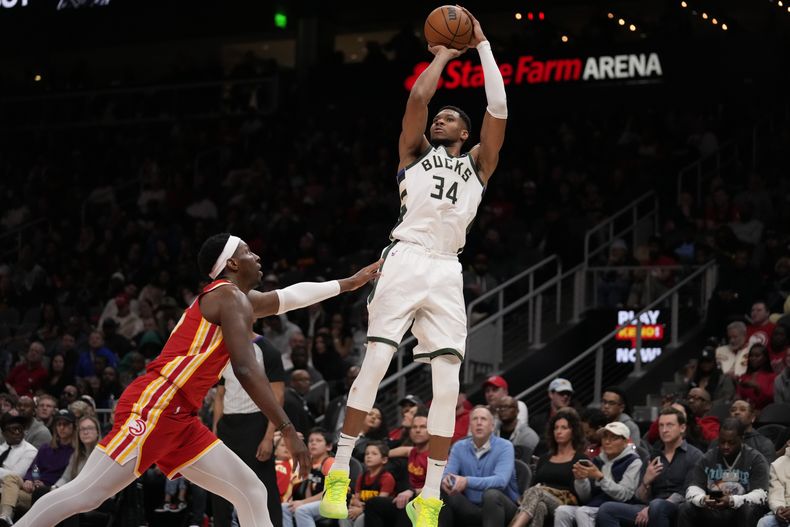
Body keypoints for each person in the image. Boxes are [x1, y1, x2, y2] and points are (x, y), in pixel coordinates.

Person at [14, 233, 380, 527]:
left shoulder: (235, 299)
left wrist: (349, 283)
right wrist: (286, 428)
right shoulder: (229, 297)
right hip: (156, 405)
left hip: (181, 417)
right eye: (248, 251)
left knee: (251, 491)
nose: (257, 257)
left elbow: (286, 298)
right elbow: (245, 368)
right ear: (232, 263)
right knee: (87, 494)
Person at [321, 8, 508, 526]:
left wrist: (483, 45)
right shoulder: (414, 152)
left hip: (447, 269)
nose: (438, 121)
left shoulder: (479, 164)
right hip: (405, 257)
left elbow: (498, 107)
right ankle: (338, 470)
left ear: (465, 131)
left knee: (447, 384)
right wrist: (445, 54)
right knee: (376, 362)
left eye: (449, 118)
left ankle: (429, 496)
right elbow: (417, 100)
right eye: (438, 118)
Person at [212, 334, 287, 527]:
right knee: (220, 486)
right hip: (227, 425)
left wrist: (268, 437)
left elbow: (278, 396)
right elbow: (220, 395)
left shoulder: (267, 350)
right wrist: (215, 431)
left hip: (256, 424)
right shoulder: (223, 349)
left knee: (263, 486)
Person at [595, 407, 704, 527]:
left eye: (669, 425)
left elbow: (688, 492)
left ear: (682, 428)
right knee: (606, 509)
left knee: (658, 505)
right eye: (661, 426)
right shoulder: (652, 456)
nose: (664, 430)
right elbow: (640, 497)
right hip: (651, 506)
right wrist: (646, 482)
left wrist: (652, 507)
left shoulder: (694, 455)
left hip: (679, 508)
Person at [438, 406, 519, 527]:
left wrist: (466, 481)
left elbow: (501, 481)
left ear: (492, 426)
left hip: (503, 507)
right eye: (475, 419)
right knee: (442, 491)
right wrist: (447, 481)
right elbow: (447, 474)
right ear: (470, 426)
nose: (479, 423)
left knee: (491, 495)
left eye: (483, 419)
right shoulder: (459, 447)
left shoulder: (505, 446)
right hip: (472, 507)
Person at [680, 418, 770, 527]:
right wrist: (703, 499)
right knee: (686, 508)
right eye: (722, 442)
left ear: (742, 439)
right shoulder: (707, 458)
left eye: (731, 443)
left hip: (739, 510)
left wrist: (732, 500)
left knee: (748, 509)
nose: (725, 446)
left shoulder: (755, 459)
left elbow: (761, 494)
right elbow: (692, 488)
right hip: (712, 508)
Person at [509, 411, 591, 527]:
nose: (559, 431)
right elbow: (535, 483)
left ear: (573, 432)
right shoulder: (544, 458)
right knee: (540, 506)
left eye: (564, 428)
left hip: (566, 502)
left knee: (536, 492)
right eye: (556, 428)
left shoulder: (580, 459)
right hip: (541, 498)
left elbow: (582, 494)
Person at [554, 422, 643, 527]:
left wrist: (600, 477)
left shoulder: (633, 461)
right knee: (562, 511)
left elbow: (624, 495)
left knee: (583, 512)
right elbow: (585, 498)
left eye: (614, 438)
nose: (607, 442)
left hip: (618, 507)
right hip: (593, 505)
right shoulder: (597, 460)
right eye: (605, 437)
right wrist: (580, 480)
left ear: (625, 442)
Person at [0, 410, 77, 526]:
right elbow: (35, 467)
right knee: (11, 478)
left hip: (51, 493)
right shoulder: (46, 447)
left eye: (65, 424)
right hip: (33, 490)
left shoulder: (75, 452)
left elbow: (66, 477)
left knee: (6, 493)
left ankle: (6, 517)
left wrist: (45, 486)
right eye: (59, 424)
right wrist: (31, 480)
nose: (62, 428)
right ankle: (5, 517)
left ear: (73, 427)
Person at [281, 428, 335, 527]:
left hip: (332, 502)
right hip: (316, 502)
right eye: (311, 441)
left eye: (318, 441)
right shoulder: (309, 463)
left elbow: (329, 493)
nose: (313, 443)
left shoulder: (330, 463)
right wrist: (304, 502)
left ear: (329, 446)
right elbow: (308, 488)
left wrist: (303, 502)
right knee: (284, 507)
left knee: (302, 510)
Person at [342, 441, 396, 527]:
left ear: (384, 460)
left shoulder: (387, 478)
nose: (369, 456)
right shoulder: (362, 477)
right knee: (344, 515)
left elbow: (379, 503)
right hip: (362, 508)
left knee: (361, 519)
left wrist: (361, 510)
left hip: (378, 513)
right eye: (367, 453)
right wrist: (357, 505)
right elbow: (356, 499)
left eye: (374, 454)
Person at [708, 399, 776, 462]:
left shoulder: (764, 444)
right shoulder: (716, 442)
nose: (737, 412)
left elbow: (765, 469)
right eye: (733, 410)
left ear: (752, 417)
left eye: (742, 410)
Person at [493, 396, 539, 462]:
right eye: (500, 407)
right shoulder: (491, 432)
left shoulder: (528, 436)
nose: (502, 409)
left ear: (517, 411)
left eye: (507, 406)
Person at [758, 439, 790, 527]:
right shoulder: (778, 465)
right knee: (764, 522)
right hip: (786, 510)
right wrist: (778, 508)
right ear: (788, 442)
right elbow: (775, 493)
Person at [736, 344, 777, 410]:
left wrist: (757, 387)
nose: (753, 358)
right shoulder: (744, 377)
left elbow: (771, 399)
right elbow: (739, 396)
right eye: (751, 356)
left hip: (765, 411)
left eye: (757, 356)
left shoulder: (772, 377)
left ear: (765, 358)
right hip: (745, 411)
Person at [0, 413, 37, 483]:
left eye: (20, 429)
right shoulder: (2, 448)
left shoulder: (30, 451)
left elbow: (16, 476)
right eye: (13, 429)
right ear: (4, 433)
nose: (17, 432)